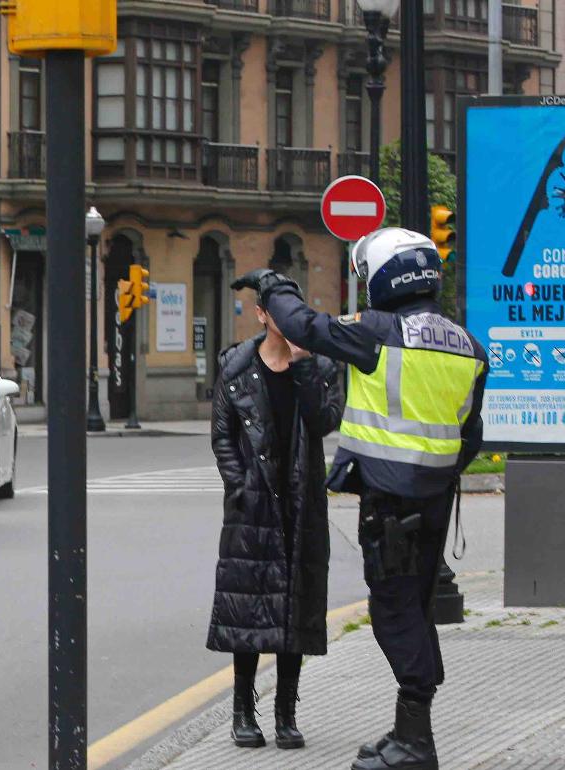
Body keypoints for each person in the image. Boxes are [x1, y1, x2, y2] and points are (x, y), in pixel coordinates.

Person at [256, 228, 488, 770]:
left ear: (384, 274)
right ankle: (408, 730)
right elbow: (470, 437)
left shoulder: (378, 331)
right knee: (416, 609)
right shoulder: (468, 345)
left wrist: (274, 288)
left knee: (392, 614)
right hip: (435, 501)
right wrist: (434, 473)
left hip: (390, 503)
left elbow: (302, 327)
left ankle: (415, 744)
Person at [208, 273, 343, 750]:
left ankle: (286, 711)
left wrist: (305, 365)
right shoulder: (237, 365)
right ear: (263, 315)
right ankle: (243, 710)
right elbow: (222, 432)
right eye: (277, 312)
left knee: (295, 610)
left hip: (302, 499)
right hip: (253, 502)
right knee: (246, 611)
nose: (285, 321)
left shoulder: (321, 364)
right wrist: (239, 482)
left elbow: (326, 419)